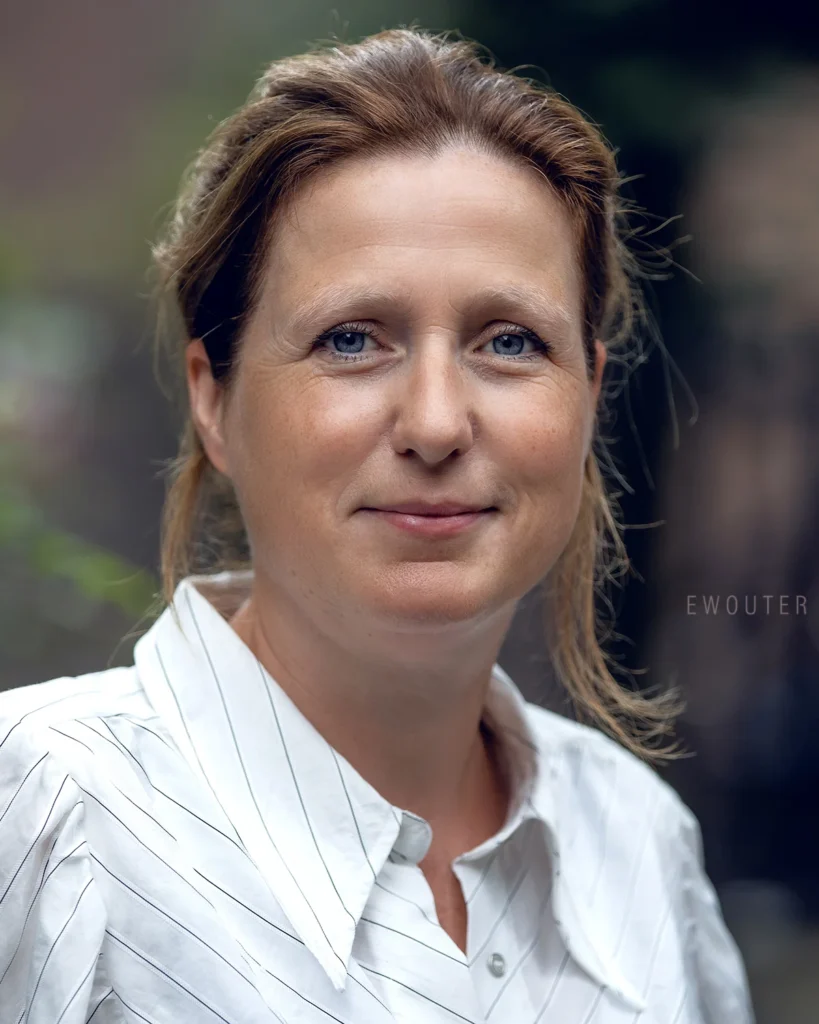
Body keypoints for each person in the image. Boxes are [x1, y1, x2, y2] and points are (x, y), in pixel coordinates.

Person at [0, 26, 753, 1024]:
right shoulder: (45, 812)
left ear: (587, 395)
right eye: (351, 339)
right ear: (213, 399)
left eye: (510, 342)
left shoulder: (641, 842)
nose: (436, 423)